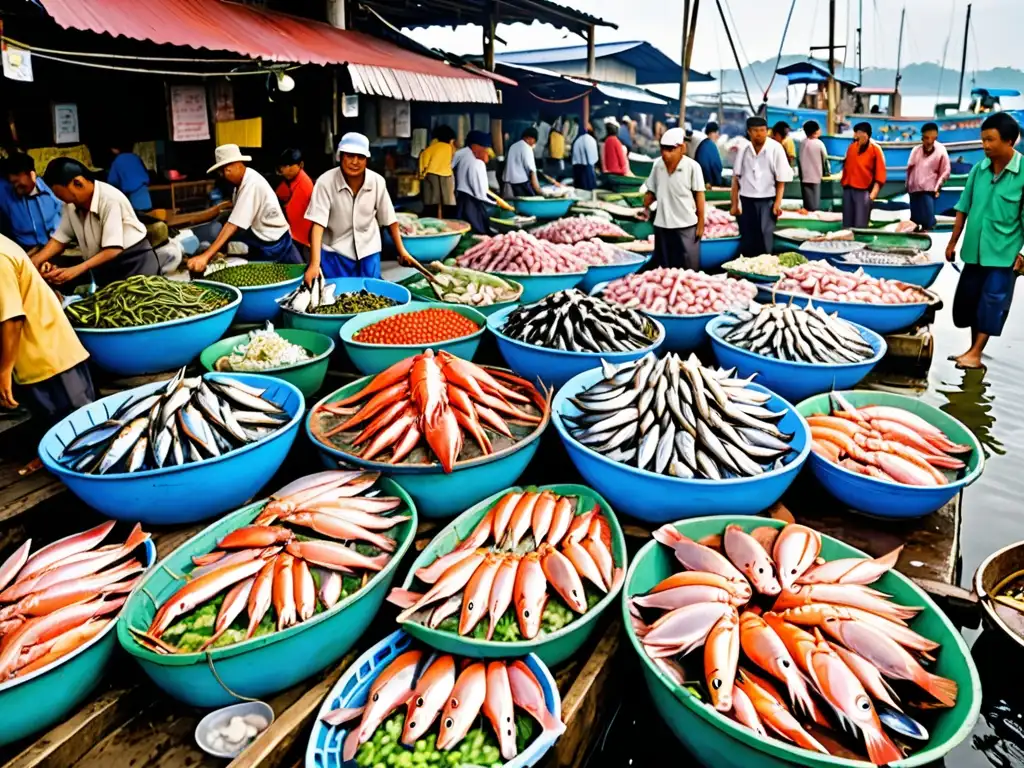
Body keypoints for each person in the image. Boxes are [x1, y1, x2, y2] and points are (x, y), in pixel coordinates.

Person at [944, 112, 1024, 371]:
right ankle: (971, 350)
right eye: (983, 140)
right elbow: (963, 206)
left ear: (1010, 141)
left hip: (1004, 253)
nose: (985, 146)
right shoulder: (979, 169)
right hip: (974, 251)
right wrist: (952, 242)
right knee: (969, 303)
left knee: (992, 303)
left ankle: (976, 353)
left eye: (991, 140)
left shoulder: (1023, 174)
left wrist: (1022, 253)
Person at [0, 233, 93, 423]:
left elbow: (12, 318)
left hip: (48, 361)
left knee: (78, 429)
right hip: (43, 357)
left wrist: (4, 371)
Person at [32, 158, 159, 287]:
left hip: (134, 262)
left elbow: (113, 249)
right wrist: (36, 260)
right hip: (105, 266)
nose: (61, 200)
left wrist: (76, 270)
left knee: (138, 302)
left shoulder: (109, 199)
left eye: (61, 195)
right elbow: (61, 237)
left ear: (78, 183)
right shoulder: (71, 204)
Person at [304, 132, 411, 282]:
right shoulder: (325, 182)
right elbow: (318, 224)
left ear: (367, 160)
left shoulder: (377, 182)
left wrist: (402, 251)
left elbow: (389, 219)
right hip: (335, 252)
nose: (355, 162)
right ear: (340, 156)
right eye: (349, 156)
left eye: (360, 157)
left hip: (369, 250)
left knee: (372, 295)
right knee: (338, 297)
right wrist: (314, 265)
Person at [188, 145, 303, 273]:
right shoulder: (240, 184)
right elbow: (233, 209)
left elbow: (233, 225)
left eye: (226, 170)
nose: (224, 175)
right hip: (261, 237)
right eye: (222, 172)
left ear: (238, 165)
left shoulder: (251, 184)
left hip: (274, 242)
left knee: (287, 274)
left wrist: (206, 256)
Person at [640, 127, 706, 270]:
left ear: (682, 148)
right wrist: (646, 202)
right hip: (662, 224)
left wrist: (701, 222)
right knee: (665, 267)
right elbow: (651, 189)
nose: (665, 154)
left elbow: (699, 195)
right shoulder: (658, 166)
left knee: (688, 266)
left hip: (686, 225)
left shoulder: (692, 167)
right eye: (663, 149)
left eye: (670, 149)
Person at [731, 117, 793, 256]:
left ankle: (766, 266)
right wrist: (734, 203)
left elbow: (781, 179)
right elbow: (736, 178)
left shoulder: (775, 148)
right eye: (755, 131)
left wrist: (777, 203)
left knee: (765, 235)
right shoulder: (743, 149)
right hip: (746, 199)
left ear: (767, 131)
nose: (759, 134)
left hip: (767, 200)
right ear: (749, 132)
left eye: (762, 130)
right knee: (748, 236)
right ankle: (748, 267)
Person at [0, 153, 62, 255]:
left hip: (55, 247)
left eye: (18, 182)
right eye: (13, 183)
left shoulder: (53, 191)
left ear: (32, 175)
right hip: (23, 251)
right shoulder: (5, 192)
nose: (16, 187)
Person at [840, 122, 887, 229]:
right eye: (855, 133)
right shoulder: (851, 147)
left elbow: (880, 173)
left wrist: (873, 193)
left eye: (858, 133)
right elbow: (847, 167)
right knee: (847, 224)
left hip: (863, 191)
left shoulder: (875, 149)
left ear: (866, 134)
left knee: (860, 224)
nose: (855, 136)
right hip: (848, 189)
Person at [906, 122, 951, 230]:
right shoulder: (915, 150)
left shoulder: (941, 150)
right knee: (914, 221)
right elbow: (909, 169)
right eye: (925, 138)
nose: (928, 141)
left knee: (928, 221)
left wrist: (937, 188)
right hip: (913, 191)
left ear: (935, 137)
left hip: (928, 190)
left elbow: (946, 171)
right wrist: (907, 186)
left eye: (931, 138)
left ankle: (931, 239)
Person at [275, 148, 314, 260]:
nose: (284, 170)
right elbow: (279, 194)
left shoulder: (303, 184)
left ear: (300, 164)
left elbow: (294, 215)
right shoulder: (292, 179)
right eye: (282, 166)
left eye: (288, 166)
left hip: (300, 238)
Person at [453, 130, 494, 234]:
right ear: (475, 146)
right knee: (476, 227)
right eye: (485, 149)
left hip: (462, 196)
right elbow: (478, 190)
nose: (487, 153)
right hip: (471, 198)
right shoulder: (476, 163)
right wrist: (492, 202)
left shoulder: (463, 154)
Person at [418, 125, 456, 219]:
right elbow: (452, 159)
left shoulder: (430, 148)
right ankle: (449, 220)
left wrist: (421, 175)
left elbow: (424, 163)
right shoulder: (450, 148)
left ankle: (431, 219)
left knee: (432, 201)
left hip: (431, 175)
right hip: (447, 175)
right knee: (448, 201)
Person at [106, 143, 152, 212]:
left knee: (138, 217)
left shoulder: (117, 161)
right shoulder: (135, 157)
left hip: (133, 196)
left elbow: (112, 181)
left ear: (115, 150)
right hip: (145, 192)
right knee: (148, 215)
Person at [798, 120, 831, 211]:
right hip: (816, 176)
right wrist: (828, 172)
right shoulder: (819, 143)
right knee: (815, 201)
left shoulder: (802, 143)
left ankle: (807, 213)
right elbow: (825, 159)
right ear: (816, 131)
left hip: (804, 176)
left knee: (807, 199)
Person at [502, 127, 542, 199]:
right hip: (521, 183)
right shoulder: (527, 148)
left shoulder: (513, 146)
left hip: (508, 182)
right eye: (534, 141)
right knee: (531, 201)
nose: (534, 144)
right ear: (531, 138)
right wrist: (538, 189)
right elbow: (531, 170)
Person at [693, 121, 724, 187]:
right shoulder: (710, 145)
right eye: (715, 132)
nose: (717, 136)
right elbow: (716, 165)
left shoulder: (701, 145)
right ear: (709, 133)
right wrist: (718, 182)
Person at [570, 125, 599, 193]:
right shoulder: (591, 140)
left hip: (577, 166)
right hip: (587, 168)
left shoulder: (578, 139)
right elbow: (593, 157)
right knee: (589, 189)